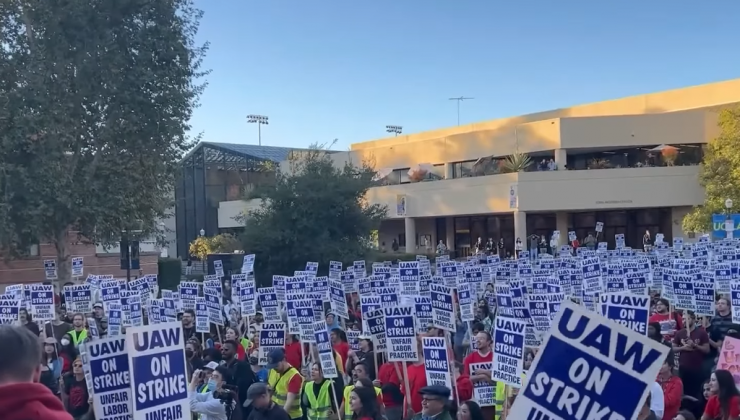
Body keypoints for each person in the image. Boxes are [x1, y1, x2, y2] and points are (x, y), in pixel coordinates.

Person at [0, 325, 71, 420]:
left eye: (51, 345)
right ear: (38, 372)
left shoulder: (60, 360)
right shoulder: (61, 417)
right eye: (47, 345)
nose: (49, 347)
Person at [673, 311, 710, 399]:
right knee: (683, 392)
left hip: (697, 368)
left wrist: (695, 346)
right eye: (683, 319)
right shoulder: (679, 333)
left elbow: (707, 350)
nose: (684, 321)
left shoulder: (701, 333)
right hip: (683, 368)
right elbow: (673, 349)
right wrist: (683, 348)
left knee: (696, 392)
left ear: (693, 319)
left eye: (687, 319)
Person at [463, 332, 494, 420]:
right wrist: (483, 377)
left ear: (488, 342)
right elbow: (465, 379)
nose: (478, 341)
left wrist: (484, 372)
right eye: (477, 339)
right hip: (477, 403)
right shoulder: (469, 358)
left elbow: (500, 378)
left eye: (481, 339)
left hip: (494, 401)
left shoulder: (495, 357)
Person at [266, 348, 304, 420]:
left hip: (291, 416)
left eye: (276, 365)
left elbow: (289, 402)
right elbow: (270, 390)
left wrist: (280, 417)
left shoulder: (294, 376)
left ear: (283, 360)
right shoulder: (272, 371)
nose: (274, 368)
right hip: (275, 414)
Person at [658, 352, 682, 420]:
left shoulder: (677, 382)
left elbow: (669, 402)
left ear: (670, 366)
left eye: (663, 363)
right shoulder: (655, 379)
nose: (660, 365)